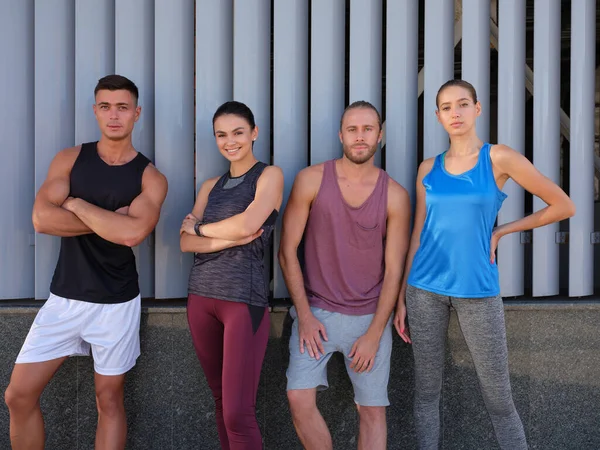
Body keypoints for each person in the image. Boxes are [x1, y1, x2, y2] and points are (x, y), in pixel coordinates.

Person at [394, 79, 576, 450]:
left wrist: (502, 230)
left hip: (477, 290)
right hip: (423, 289)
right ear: (438, 116)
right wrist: (401, 296)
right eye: (446, 107)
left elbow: (563, 205)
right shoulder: (428, 168)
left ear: (477, 109)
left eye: (463, 104)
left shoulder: (500, 158)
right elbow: (417, 233)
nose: (455, 113)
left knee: (499, 398)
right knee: (426, 393)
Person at [4, 74, 168, 450]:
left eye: (123, 107)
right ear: (95, 111)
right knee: (18, 395)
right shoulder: (70, 159)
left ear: (136, 113)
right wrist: (111, 218)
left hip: (116, 301)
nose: (114, 115)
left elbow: (132, 234)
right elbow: (42, 219)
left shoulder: (150, 177)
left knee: (108, 400)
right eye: (106, 107)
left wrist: (74, 204)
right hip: (65, 297)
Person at [279, 101, 411, 450]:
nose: (360, 137)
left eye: (368, 129)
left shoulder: (395, 195)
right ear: (341, 135)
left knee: (372, 412)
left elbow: (395, 269)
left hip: (369, 317)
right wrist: (304, 316)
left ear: (380, 136)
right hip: (316, 313)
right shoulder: (310, 180)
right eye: (352, 129)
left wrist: (374, 332)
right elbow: (286, 251)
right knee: (298, 398)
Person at [180, 101, 283, 450]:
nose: (230, 141)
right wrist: (227, 236)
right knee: (222, 402)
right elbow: (183, 242)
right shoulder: (211, 185)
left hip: (243, 301)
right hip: (200, 299)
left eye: (238, 132)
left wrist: (203, 229)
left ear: (254, 133)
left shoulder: (269, 176)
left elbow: (249, 225)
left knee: (239, 412)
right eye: (221, 135)